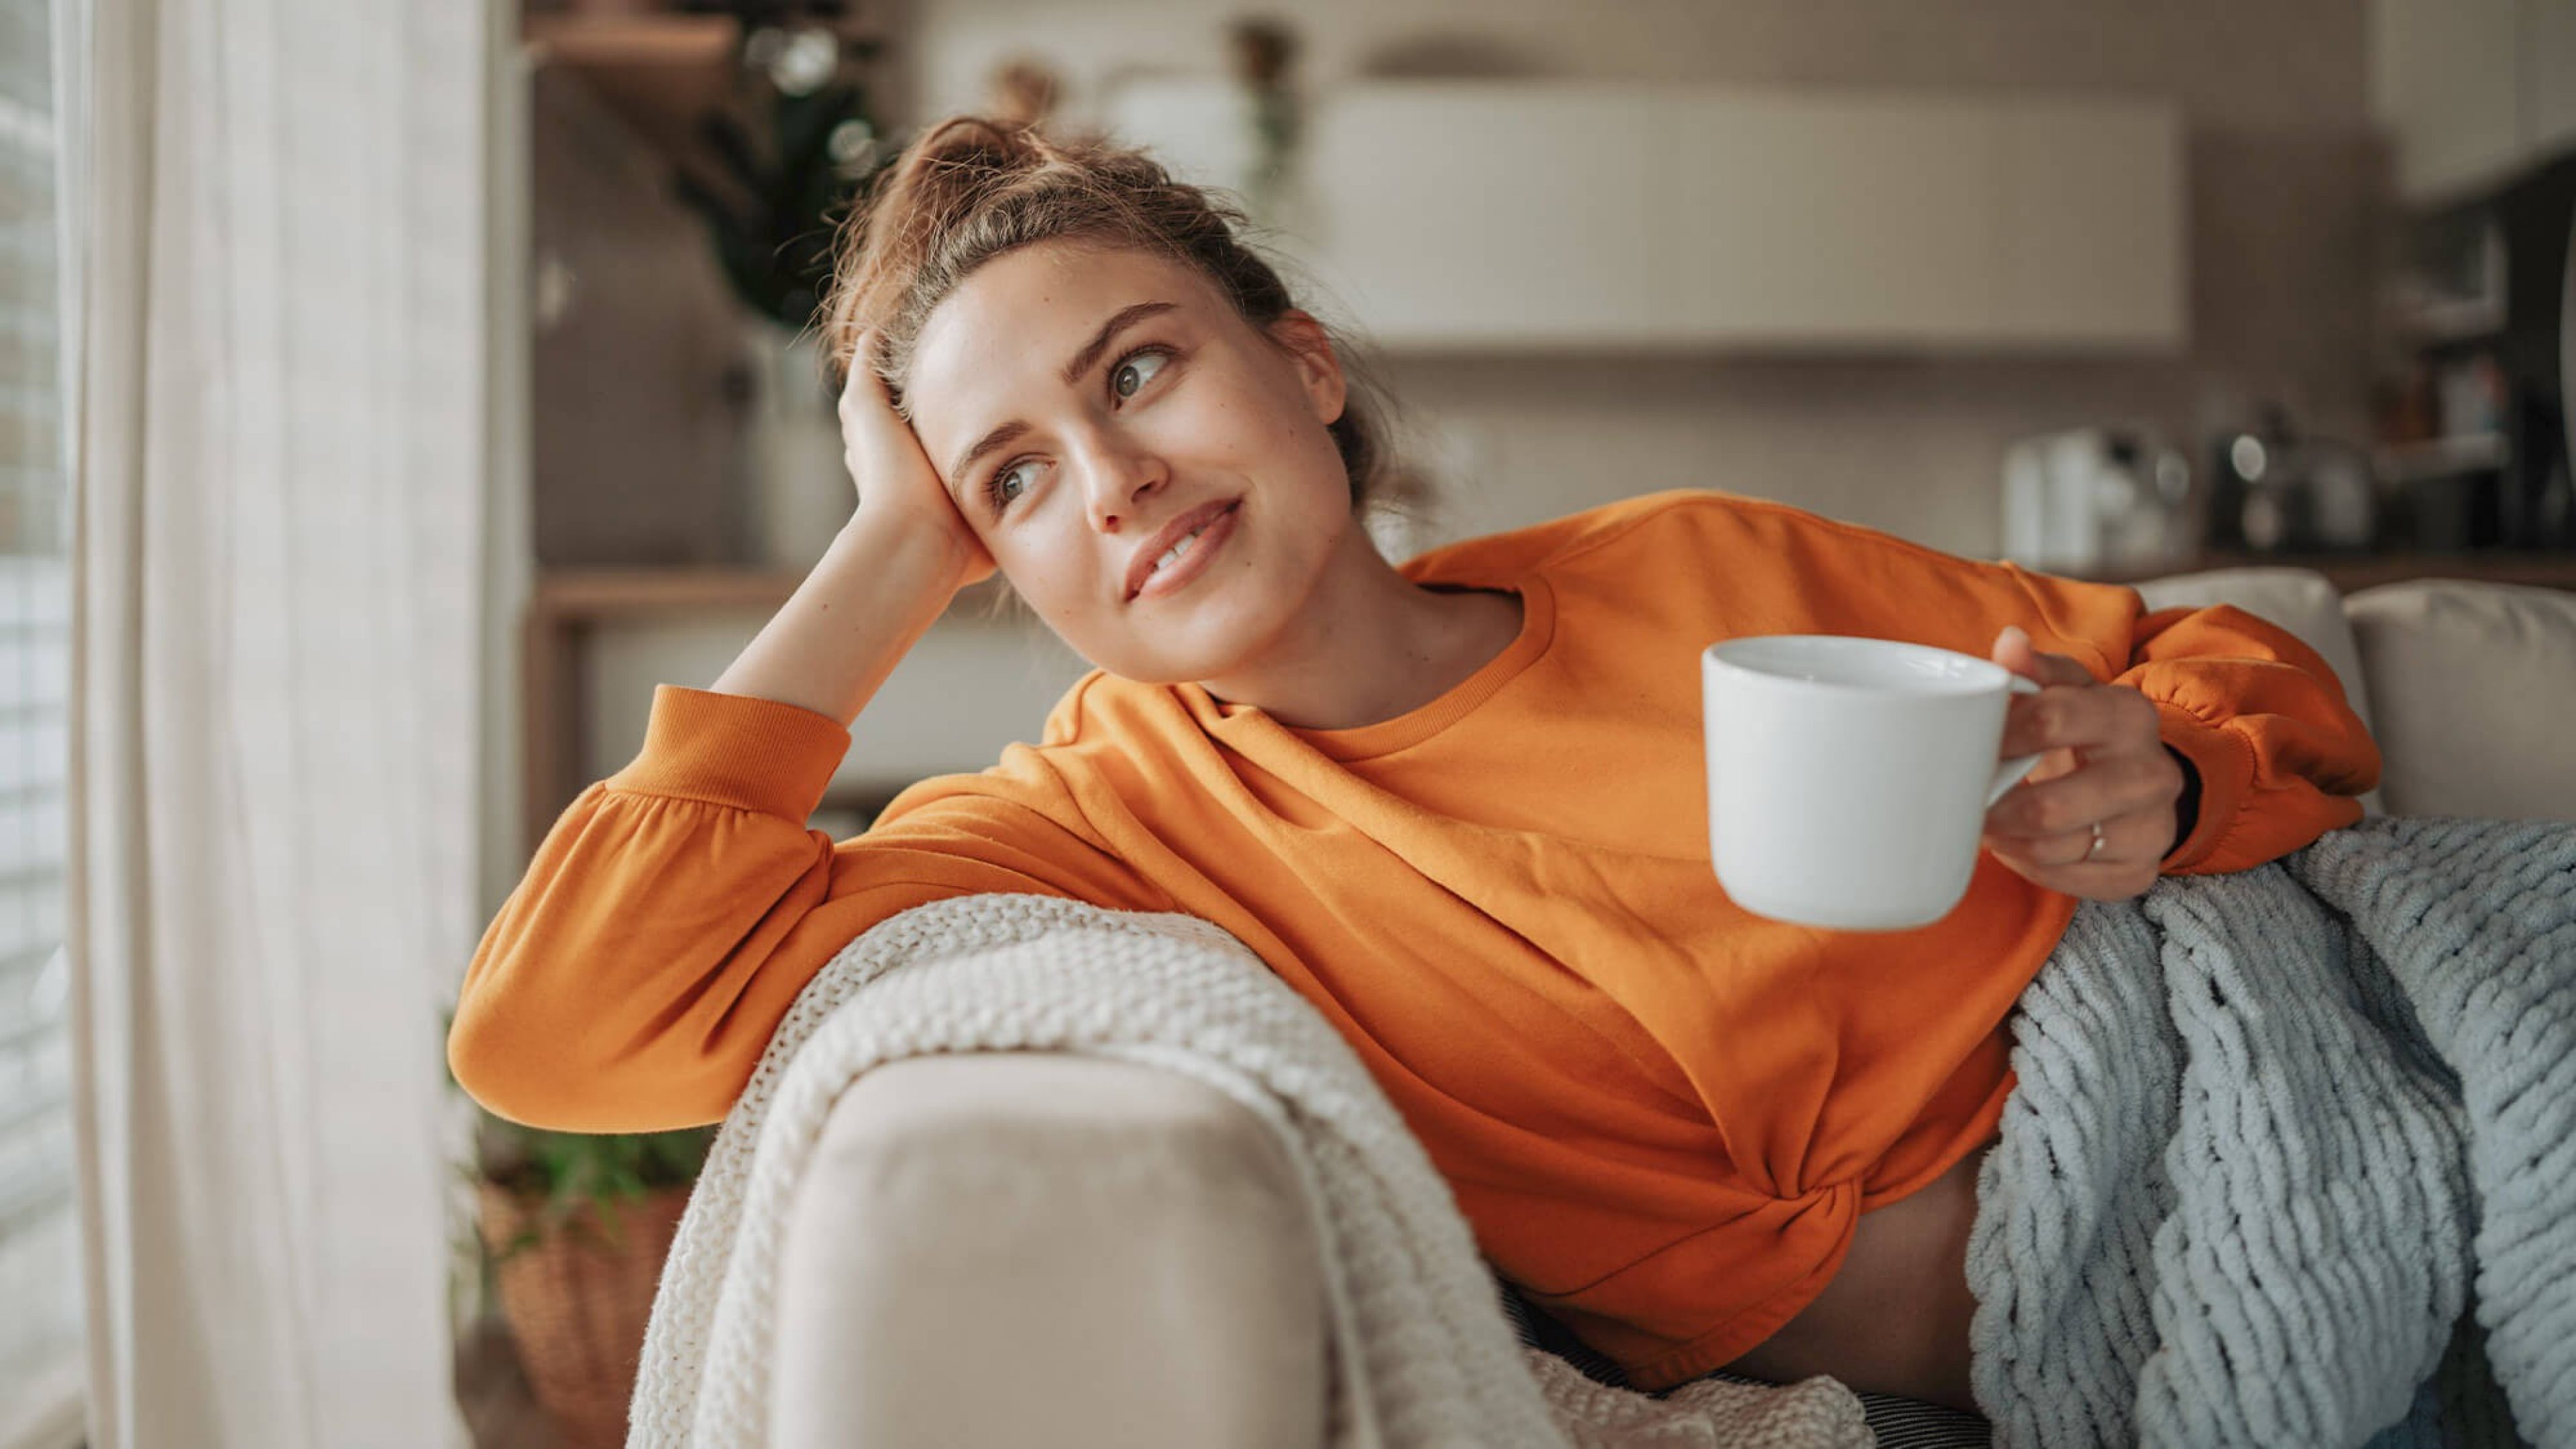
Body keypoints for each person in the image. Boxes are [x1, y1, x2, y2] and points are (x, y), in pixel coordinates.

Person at [447, 117, 2380, 1413]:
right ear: (986, 563)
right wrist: (882, 552)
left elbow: (2239, 661)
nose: (1112, 479)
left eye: (1136, 371)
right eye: (1012, 481)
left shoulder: (1701, 567)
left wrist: (2178, 778)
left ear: (1300, 369)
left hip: (2245, 1107)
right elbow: (555, 1027)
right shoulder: (1102, 826)